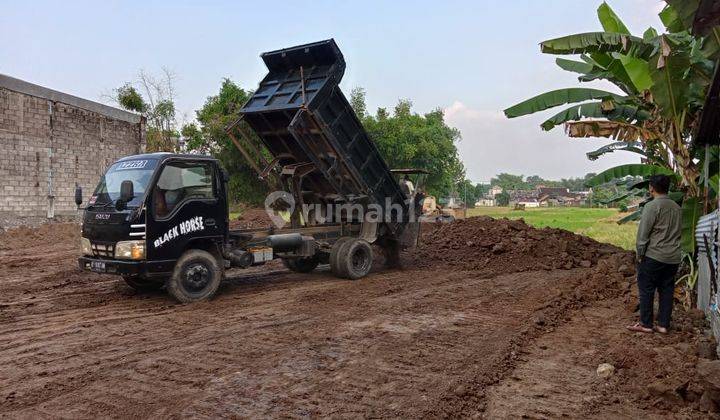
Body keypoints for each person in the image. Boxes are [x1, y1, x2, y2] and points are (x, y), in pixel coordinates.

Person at [627, 175, 682, 334]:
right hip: (673, 257)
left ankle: (646, 324)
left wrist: (640, 254)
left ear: (651, 188)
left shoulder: (651, 206)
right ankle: (663, 325)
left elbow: (643, 235)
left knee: (646, 289)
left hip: (654, 255)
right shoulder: (677, 207)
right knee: (667, 290)